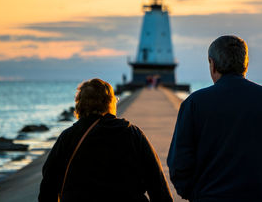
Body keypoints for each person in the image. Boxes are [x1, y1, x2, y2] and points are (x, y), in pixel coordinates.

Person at [167, 35, 262, 202]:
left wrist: (194, 194)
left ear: (212, 64)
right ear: (245, 64)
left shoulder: (194, 103)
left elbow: (178, 163)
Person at [39, 78, 173, 202]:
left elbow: (48, 185)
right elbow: (157, 182)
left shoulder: (68, 137)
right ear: (111, 102)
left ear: (79, 104)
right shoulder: (132, 133)